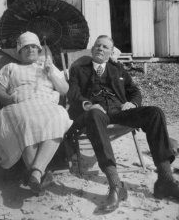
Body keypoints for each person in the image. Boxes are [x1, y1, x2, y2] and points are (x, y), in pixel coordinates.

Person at [67, 35, 179, 213]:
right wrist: (88, 105)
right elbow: (72, 94)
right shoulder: (79, 69)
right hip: (94, 114)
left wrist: (133, 103)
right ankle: (116, 186)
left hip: (120, 112)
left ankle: (165, 179)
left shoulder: (118, 69)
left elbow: (134, 91)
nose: (100, 49)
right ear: (92, 49)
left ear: (111, 52)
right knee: (95, 114)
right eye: (98, 45)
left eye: (105, 47)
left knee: (155, 113)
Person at [0, 31, 73, 195]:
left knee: (60, 115)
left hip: (46, 104)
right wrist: (10, 100)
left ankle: (35, 173)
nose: (30, 49)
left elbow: (65, 89)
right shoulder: (10, 67)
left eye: (34, 47)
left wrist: (51, 73)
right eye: (26, 47)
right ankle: (39, 174)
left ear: (39, 50)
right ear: (20, 51)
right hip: (19, 104)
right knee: (25, 119)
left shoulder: (48, 66)